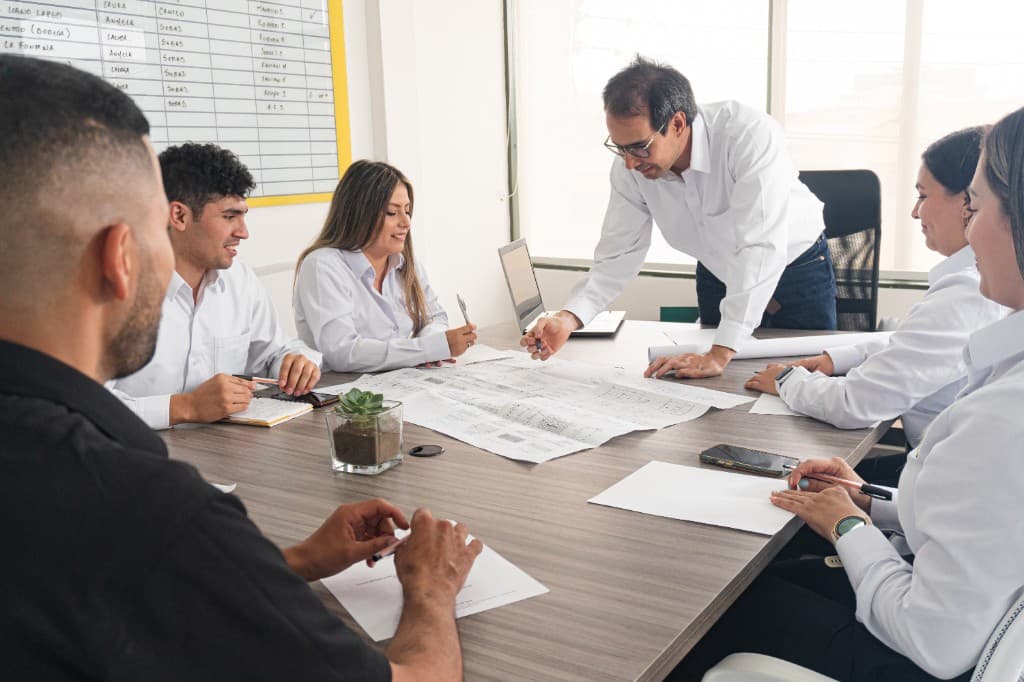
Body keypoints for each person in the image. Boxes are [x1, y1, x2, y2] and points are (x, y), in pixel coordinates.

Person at [0, 54, 481, 680]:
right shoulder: (149, 508)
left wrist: (299, 558)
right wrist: (431, 589)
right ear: (121, 255)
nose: (245, 235)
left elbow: (150, 586)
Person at [671, 106, 1024, 681]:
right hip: (957, 611)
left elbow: (934, 641)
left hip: (920, 657)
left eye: (977, 206)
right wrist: (869, 500)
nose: (968, 225)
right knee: (773, 571)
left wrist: (848, 527)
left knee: (710, 609)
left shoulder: (1003, 417)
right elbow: (978, 528)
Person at [521, 55, 836, 379]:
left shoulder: (748, 135)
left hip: (796, 271)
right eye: (619, 148)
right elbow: (619, 253)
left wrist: (720, 351)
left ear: (677, 124)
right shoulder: (631, 169)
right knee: (722, 390)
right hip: (718, 275)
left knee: (804, 389)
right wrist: (569, 318)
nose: (629, 162)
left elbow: (761, 246)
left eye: (639, 146)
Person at [744, 127, 1006, 449]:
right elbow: (910, 345)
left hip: (938, 482)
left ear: (969, 200)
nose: (914, 212)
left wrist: (787, 381)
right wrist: (835, 359)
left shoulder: (969, 294)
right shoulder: (973, 285)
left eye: (923, 196)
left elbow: (854, 404)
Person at [109, 143, 322, 429]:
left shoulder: (240, 280)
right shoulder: (114, 292)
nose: (243, 233)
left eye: (243, 216)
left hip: (225, 453)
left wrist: (296, 362)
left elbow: (273, 353)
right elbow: (86, 405)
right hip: (136, 456)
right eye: (229, 217)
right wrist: (185, 407)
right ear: (179, 216)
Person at [293, 160, 477, 372]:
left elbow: (435, 317)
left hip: (399, 382)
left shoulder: (406, 262)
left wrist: (430, 345)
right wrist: (426, 349)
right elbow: (342, 352)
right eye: (392, 212)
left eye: (407, 211)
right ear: (359, 214)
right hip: (345, 393)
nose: (406, 222)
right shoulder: (322, 266)